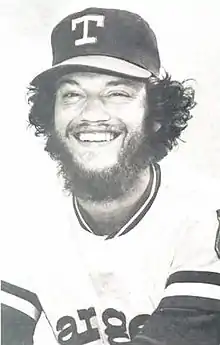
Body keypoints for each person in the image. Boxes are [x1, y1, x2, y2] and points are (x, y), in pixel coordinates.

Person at [2, 6, 220, 345]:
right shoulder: (28, 222)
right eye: (72, 94)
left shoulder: (206, 216)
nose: (91, 114)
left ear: (156, 114)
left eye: (117, 93)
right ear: (51, 113)